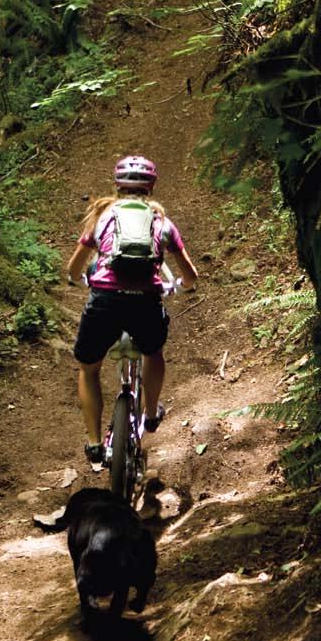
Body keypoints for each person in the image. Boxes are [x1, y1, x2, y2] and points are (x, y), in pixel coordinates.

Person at [67, 155, 198, 464]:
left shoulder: (102, 217)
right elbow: (190, 275)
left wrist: (80, 279)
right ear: (151, 187)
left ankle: (94, 443)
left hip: (104, 302)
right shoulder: (162, 222)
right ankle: (150, 415)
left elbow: (74, 268)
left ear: (117, 185)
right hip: (145, 303)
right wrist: (182, 285)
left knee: (88, 369)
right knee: (153, 353)